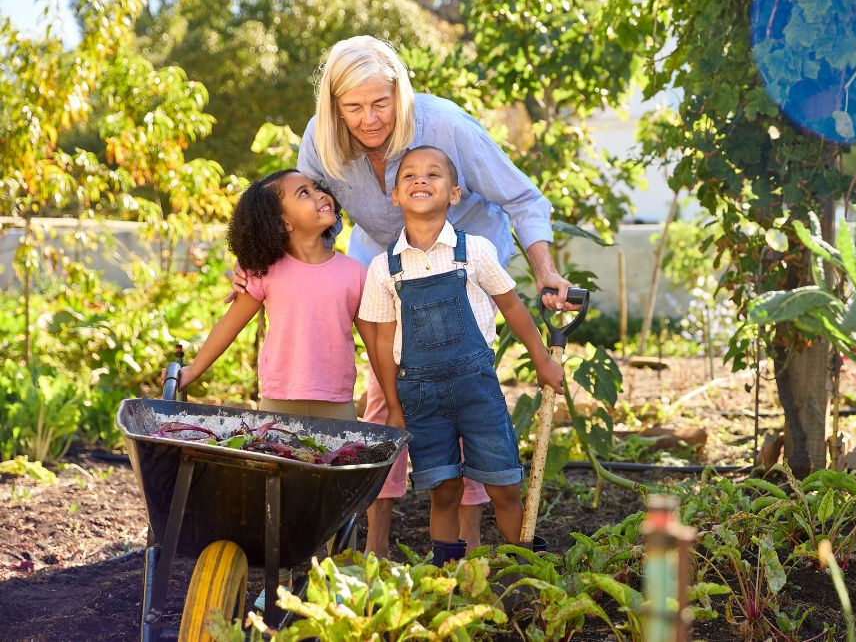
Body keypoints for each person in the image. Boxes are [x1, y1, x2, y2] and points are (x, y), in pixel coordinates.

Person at [232, 35, 574, 556]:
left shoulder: (446, 127)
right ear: (334, 107)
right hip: (385, 262)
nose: (369, 119)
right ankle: (376, 544)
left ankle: (471, 543)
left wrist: (546, 269)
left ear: (400, 91)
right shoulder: (322, 141)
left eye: (380, 103)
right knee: (384, 398)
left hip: (461, 260)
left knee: (467, 389)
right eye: (353, 107)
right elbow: (298, 216)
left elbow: (522, 198)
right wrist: (260, 262)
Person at [357, 145, 564, 565]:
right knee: (443, 488)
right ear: (395, 196)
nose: (420, 181)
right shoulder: (385, 268)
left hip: (476, 388)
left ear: (453, 193)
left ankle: (529, 571)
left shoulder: (475, 252)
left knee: (504, 485)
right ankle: (448, 577)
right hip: (419, 395)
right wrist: (393, 407)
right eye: (409, 176)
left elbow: (512, 307)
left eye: (433, 175)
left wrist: (542, 359)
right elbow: (380, 343)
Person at [175, 170, 367, 418]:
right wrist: (193, 371)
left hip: (337, 403)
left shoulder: (354, 273)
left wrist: (393, 402)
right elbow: (229, 325)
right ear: (283, 222)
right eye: (304, 193)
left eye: (316, 188)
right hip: (279, 401)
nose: (321, 195)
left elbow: (375, 344)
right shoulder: (264, 273)